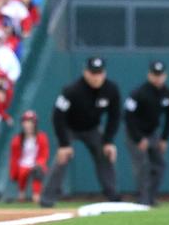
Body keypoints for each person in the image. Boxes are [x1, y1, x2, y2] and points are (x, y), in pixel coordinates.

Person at [39, 57, 121, 208]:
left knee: (105, 154)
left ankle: (113, 196)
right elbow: (58, 116)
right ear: (85, 72)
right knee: (62, 158)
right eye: (93, 73)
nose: (96, 77)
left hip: (92, 128)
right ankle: (47, 198)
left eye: (99, 73)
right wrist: (64, 144)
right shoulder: (72, 90)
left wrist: (109, 141)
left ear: (104, 73)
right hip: (69, 127)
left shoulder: (111, 89)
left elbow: (114, 116)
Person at [124, 61, 169, 207]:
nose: (158, 78)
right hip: (135, 133)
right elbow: (128, 117)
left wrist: (164, 138)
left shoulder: (168, 94)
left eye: (160, 75)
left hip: (153, 133)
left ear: (165, 75)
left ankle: (151, 198)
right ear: (149, 75)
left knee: (159, 165)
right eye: (155, 75)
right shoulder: (138, 93)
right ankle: (143, 199)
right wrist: (138, 138)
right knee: (142, 166)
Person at [8, 110, 49, 203]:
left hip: (36, 164)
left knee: (38, 170)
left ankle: (36, 195)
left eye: (31, 122)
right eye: (26, 122)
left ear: (35, 124)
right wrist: (13, 172)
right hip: (22, 165)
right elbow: (14, 158)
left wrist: (39, 163)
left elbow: (44, 155)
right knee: (22, 172)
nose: (28, 125)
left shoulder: (41, 137)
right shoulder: (17, 140)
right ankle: (21, 193)